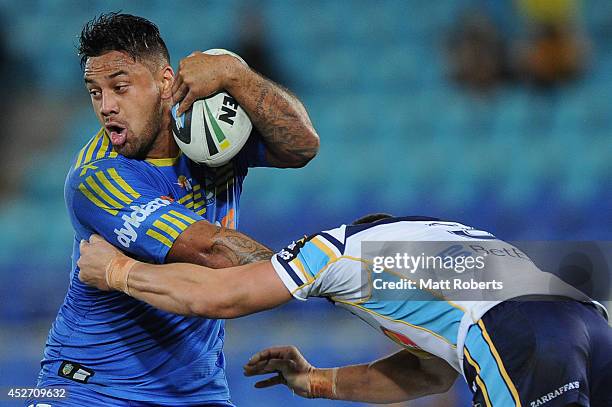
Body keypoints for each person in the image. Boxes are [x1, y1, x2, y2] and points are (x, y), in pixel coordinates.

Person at [35, 12, 319, 407]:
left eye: (120, 87)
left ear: (165, 84)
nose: (106, 107)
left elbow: (302, 146)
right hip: (91, 388)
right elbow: (214, 255)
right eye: (95, 92)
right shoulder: (98, 175)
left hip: (197, 391)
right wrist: (328, 268)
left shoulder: (210, 131)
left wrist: (237, 75)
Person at [78, 214, 611, 407]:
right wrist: (318, 382)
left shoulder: (334, 247)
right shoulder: (449, 238)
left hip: (514, 333)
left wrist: (117, 272)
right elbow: (427, 374)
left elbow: (222, 297)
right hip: (590, 322)